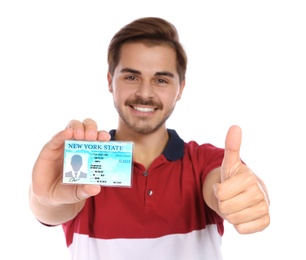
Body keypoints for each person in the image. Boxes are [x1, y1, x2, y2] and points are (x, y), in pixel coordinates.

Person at [29, 17, 270, 259]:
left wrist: (248, 194)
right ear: (110, 81)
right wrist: (44, 197)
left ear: (181, 89)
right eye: (132, 77)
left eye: (161, 80)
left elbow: (228, 182)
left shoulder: (205, 162)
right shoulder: (84, 167)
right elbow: (52, 206)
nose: (145, 93)